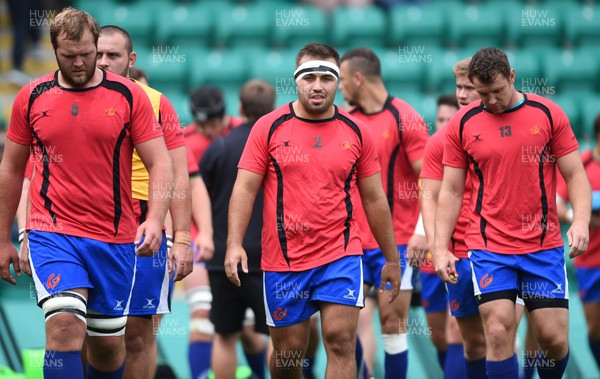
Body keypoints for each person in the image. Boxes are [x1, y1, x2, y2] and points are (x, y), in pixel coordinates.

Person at [0, 7, 172, 379]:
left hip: (114, 237)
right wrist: (4, 238)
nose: (79, 63)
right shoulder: (31, 97)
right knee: (63, 327)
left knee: (109, 346)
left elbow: (161, 162)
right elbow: (12, 169)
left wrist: (157, 219)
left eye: (86, 54)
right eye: (68, 55)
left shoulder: (130, 96)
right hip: (53, 232)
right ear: (53, 50)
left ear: (96, 46)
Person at [225, 42, 401, 379]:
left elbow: (375, 199)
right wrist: (234, 243)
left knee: (340, 340)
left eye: (326, 77)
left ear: (340, 81)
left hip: (341, 254)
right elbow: (245, 188)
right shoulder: (269, 127)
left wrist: (391, 258)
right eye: (309, 77)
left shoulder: (357, 132)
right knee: (290, 352)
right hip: (284, 260)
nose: (317, 85)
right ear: (295, 80)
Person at [434, 47, 591, 378]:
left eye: (497, 91)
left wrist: (580, 221)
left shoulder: (548, 114)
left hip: (542, 245)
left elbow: (576, 174)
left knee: (553, 339)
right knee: (497, 332)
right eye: (483, 93)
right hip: (489, 247)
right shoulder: (463, 123)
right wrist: (440, 245)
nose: (490, 101)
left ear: (512, 77)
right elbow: (450, 189)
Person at [95, 25, 193, 379]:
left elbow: (181, 176)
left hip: (142, 226)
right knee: (83, 332)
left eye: (114, 55)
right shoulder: (64, 97)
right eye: (98, 54)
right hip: (83, 225)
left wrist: (182, 238)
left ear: (131, 60)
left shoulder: (155, 102)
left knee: (137, 335)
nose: (103, 62)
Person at [338, 47, 429, 379]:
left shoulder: (405, 117)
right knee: (343, 328)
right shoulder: (345, 120)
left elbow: (431, 180)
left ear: (359, 78)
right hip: (350, 244)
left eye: (343, 80)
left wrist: (423, 230)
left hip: (399, 241)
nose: (340, 88)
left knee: (393, 325)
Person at [200, 79, 275, 379]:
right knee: (277, 334)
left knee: (224, 335)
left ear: (240, 108)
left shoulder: (219, 146)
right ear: (272, 109)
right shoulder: (278, 147)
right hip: (269, 258)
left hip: (223, 256)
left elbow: (198, 195)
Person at [417, 93, 458, 373]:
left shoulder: (468, 150)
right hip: (432, 258)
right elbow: (426, 199)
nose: (443, 124)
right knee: (439, 336)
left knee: (461, 330)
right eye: (439, 119)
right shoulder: (430, 151)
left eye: (449, 119)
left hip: (465, 253)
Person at [556, 113, 600, 369]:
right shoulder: (581, 166)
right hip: (590, 262)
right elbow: (558, 205)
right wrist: (580, 217)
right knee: (595, 329)